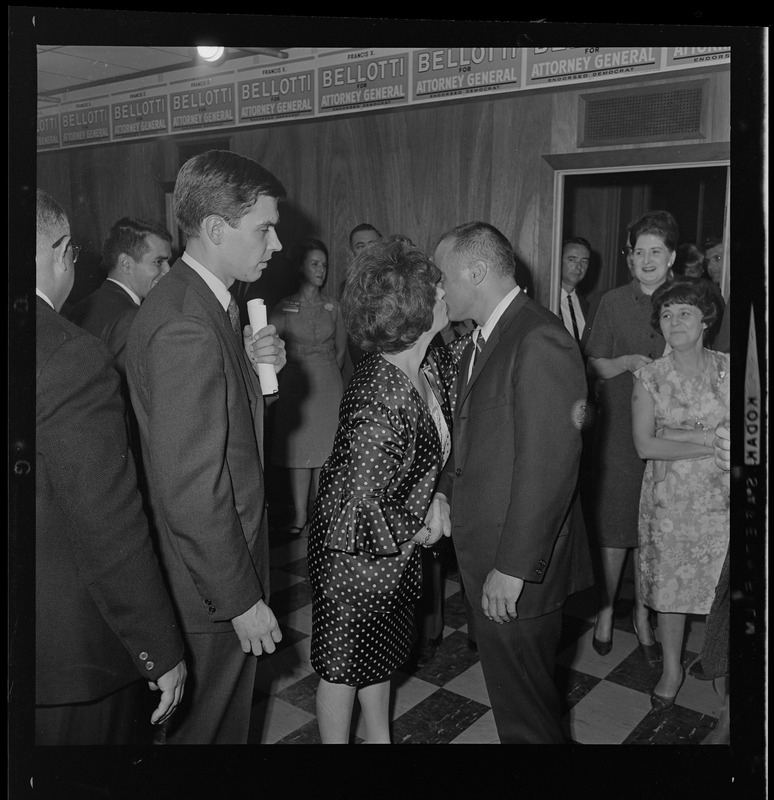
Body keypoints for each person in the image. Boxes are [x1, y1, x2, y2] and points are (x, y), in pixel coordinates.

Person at [125, 150, 287, 744]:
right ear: (217, 230)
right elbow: (192, 487)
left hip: (212, 571)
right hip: (210, 586)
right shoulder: (187, 322)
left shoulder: (206, 305)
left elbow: (215, 433)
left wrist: (251, 378)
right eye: (263, 228)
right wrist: (240, 599)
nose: (274, 244)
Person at [35, 189, 186, 745]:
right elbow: (106, 521)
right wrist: (159, 647)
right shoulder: (67, 354)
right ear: (58, 253)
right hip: (67, 658)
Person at [432, 221, 591, 744]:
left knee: (527, 720)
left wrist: (513, 567)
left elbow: (548, 468)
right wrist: (443, 497)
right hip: (487, 557)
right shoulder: (482, 339)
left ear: (476, 271)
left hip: (516, 566)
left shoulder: (539, 338)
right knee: (516, 704)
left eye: (443, 276)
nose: (439, 287)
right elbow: (472, 447)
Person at [308, 237, 457, 743]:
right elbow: (356, 503)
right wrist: (420, 529)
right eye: (436, 289)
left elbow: (421, 464)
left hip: (392, 557)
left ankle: (379, 738)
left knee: (379, 656)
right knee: (343, 669)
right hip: (353, 562)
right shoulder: (378, 391)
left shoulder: (427, 366)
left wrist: (435, 498)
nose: (444, 292)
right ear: (415, 311)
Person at [583, 210, 678, 665]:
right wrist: (627, 362)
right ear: (629, 258)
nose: (646, 260)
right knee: (615, 523)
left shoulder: (687, 300)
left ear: (672, 256)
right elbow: (592, 362)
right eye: (638, 252)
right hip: (619, 427)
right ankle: (604, 613)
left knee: (654, 528)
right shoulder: (612, 302)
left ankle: (643, 616)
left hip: (670, 432)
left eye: (655, 251)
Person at [632, 277, 730, 710]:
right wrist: (711, 441)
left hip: (724, 503)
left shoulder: (732, 370)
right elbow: (645, 445)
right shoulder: (648, 378)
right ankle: (671, 669)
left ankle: (722, 672)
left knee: (722, 594)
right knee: (670, 592)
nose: (674, 321)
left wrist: (677, 434)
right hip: (668, 505)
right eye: (667, 314)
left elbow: (745, 435)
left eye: (685, 312)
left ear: (705, 319)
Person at [269, 238, 346, 535]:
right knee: (300, 453)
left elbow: (340, 352)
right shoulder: (285, 306)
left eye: (324, 265)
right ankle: (300, 515)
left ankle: (322, 515)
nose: (321, 270)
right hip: (296, 386)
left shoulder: (333, 307)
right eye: (314, 264)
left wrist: (327, 374)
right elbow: (268, 343)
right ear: (301, 267)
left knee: (326, 452)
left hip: (328, 384)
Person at [68, 216, 173, 379]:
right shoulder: (131, 318)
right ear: (126, 264)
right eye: (159, 261)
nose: (168, 271)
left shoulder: (82, 307)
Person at [340, 223, 383, 380]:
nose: (367, 250)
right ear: (352, 252)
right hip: (363, 374)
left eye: (372, 244)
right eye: (360, 246)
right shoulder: (346, 288)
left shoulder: (399, 280)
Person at [558, 236, 591, 343]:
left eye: (584, 261)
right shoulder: (546, 301)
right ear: (558, 260)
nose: (579, 267)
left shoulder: (588, 307)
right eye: (572, 260)